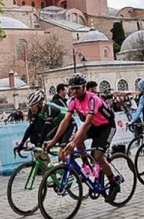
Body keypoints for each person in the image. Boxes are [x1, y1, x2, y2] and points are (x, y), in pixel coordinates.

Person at [44, 74, 120, 202]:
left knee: (98, 156)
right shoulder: (73, 101)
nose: (74, 91)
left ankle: (114, 183)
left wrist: (73, 143)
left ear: (84, 87)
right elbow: (66, 120)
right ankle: (86, 164)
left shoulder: (92, 99)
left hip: (107, 126)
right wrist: (54, 140)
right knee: (76, 137)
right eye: (71, 89)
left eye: (77, 88)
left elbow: (87, 123)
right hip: (95, 126)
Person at [16, 90, 72, 156]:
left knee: (63, 153)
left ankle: (84, 163)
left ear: (40, 104)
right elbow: (30, 128)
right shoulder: (37, 111)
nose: (31, 109)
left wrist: (39, 145)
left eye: (33, 106)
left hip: (70, 124)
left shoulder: (49, 108)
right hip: (59, 126)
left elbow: (45, 129)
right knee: (46, 142)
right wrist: (22, 143)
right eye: (30, 107)